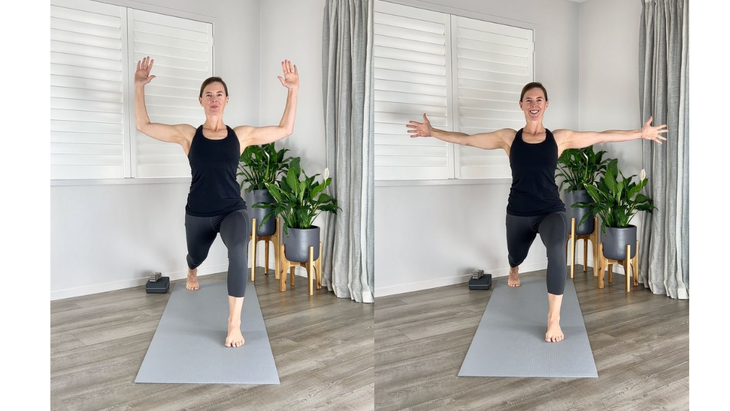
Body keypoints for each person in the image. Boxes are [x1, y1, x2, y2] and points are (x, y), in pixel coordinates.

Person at [406, 82, 666, 343]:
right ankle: (514, 269)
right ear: (521, 105)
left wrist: (639, 134)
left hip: (550, 210)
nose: (534, 105)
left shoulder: (559, 138)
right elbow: (466, 139)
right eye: (528, 100)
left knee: (556, 249)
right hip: (518, 213)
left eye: (539, 100)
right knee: (515, 254)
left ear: (546, 104)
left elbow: (600, 135)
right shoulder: (509, 138)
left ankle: (553, 319)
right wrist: (433, 132)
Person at [134, 56, 299, 348]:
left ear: (226, 100)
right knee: (195, 255)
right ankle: (192, 268)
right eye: (208, 94)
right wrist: (139, 86)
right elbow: (143, 125)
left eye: (219, 94)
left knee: (238, 249)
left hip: (230, 210)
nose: (214, 99)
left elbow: (284, 129)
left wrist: (292, 89)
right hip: (197, 213)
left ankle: (234, 323)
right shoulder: (188, 135)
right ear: (200, 100)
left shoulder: (240, 135)